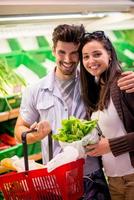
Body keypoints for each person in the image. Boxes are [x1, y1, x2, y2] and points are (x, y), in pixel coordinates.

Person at [15, 24, 134, 200]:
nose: (68, 59)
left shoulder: (93, 83)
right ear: (53, 50)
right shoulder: (35, 90)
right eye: (62, 52)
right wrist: (34, 135)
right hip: (55, 177)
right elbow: (20, 129)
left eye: (74, 53)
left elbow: (115, 80)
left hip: (92, 175)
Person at [79, 30, 134, 200]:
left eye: (97, 54)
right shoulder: (97, 88)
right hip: (113, 179)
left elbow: (110, 142)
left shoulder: (125, 83)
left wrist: (111, 145)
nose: (91, 61)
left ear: (109, 55)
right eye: (85, 56)